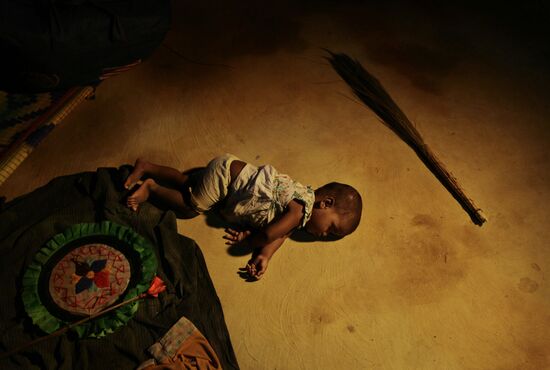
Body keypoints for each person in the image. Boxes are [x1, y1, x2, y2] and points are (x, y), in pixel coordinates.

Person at [124, 154, 362, 280]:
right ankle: (152, 187)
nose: (322, 236)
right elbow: (270, 233)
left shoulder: (300, 213)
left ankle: (147, 166)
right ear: (325, 203)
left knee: (188, 182)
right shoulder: (300, 208)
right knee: (191, 206)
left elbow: (281, 235)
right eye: (330, 229)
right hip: (226, 178)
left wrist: (265, 256)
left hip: (228, 174)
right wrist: (249, 243)